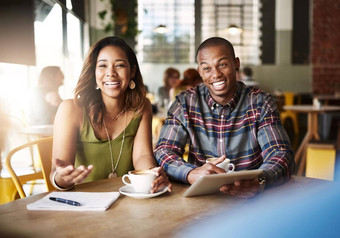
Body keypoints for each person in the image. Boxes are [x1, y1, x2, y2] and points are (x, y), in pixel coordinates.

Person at [154, 37, 295, 198]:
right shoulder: (185, 103)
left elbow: (281, 153)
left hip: (252, 200)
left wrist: (259, 180)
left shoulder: (261, 103)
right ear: (199, 71)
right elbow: (164, 150)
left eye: (222, 64)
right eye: (207, 68)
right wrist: (190, 173)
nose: (216, 74)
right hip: (201, 199)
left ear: (236, 63)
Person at [51, 36, 171, 193]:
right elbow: (57, 172)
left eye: (120, 65)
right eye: (102, 66)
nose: (111, 73)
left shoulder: (142, 107)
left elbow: (142, 156)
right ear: (93, 72)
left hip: (127, 200)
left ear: (132, 71)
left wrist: (151, 173)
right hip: (83, 204)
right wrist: (62, 178)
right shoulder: (70, 109)